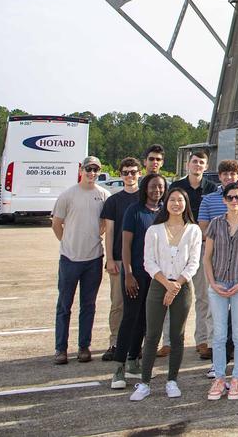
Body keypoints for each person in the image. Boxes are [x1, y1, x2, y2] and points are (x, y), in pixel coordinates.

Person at [129, 187, 201, 401]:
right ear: (166, 203)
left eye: (180, 200)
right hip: (158, 285)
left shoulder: (193, 230)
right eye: (172, 200)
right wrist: (166, 284)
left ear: (186, 204)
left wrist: (176, 284)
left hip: (182, 286)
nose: (176, 203)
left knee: (177, 337)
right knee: (152, 335)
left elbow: (193, 262)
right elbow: (148, 262)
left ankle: (172, 380)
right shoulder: (155, 230)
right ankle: (145, 383)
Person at [51, 156, 110, 365]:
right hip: (69, 259)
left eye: (96, 170)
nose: (92, 173)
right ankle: (61, 349)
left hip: (93, 259)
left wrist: (93, 236)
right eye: (88, 169)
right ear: (81, 170)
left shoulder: (104, 195)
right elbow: (57, 224)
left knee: (88, 305)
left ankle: (84, 346)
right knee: (64, 305)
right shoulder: (68, 195)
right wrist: (67, 241)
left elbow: (105, 224)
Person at [203, 182, 238, 400]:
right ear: (224, 200)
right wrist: (213, 283)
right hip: (217, 283)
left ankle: (237, 378)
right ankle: (219, 378)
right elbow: (207, 257)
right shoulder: (216, 224)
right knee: (218, 335)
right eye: (230, 197)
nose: (235, 201)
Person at [111, 173, 166, 390]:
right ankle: (119, 367)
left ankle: (134, 360)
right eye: (153, 186)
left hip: (156, 276)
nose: (157, 191)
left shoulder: (164, 212)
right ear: (145, 188)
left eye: (161, 187)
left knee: (145, 319)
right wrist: (128, 273)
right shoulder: (134, 211)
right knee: (129, 318)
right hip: (135, 273)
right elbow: (125, 245)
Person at [169, 149, 217, 359]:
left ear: (206, 167)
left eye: (201, 163)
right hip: (179, 246)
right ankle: (168, 341)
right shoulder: (177, 187)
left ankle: (202, 340)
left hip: (203, 247)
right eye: (195, 162)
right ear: (188, 164)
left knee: (203, 296)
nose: (197, 165)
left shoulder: (211, 188)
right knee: (173, 293)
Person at [198, 159, 238, 363]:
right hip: (214, 254)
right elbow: (204, 228)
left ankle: (232, 343)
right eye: (225, 174)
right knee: (212, 298)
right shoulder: (208, 199)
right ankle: (211, 342)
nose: (228, 177)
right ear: (219, 176)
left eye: (232, 174)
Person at [100, 157, 143, 361]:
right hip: (118, 260)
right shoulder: (113, 201)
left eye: (133, 172)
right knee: (118, 304)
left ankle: (136, 344)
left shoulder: (146, 200)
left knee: (141, 305)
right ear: (120, 175)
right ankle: (115, 343)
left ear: (139, 174)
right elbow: (109, 231)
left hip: (142, 262)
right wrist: (110, 259)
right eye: (125, 172)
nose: (129, 176)